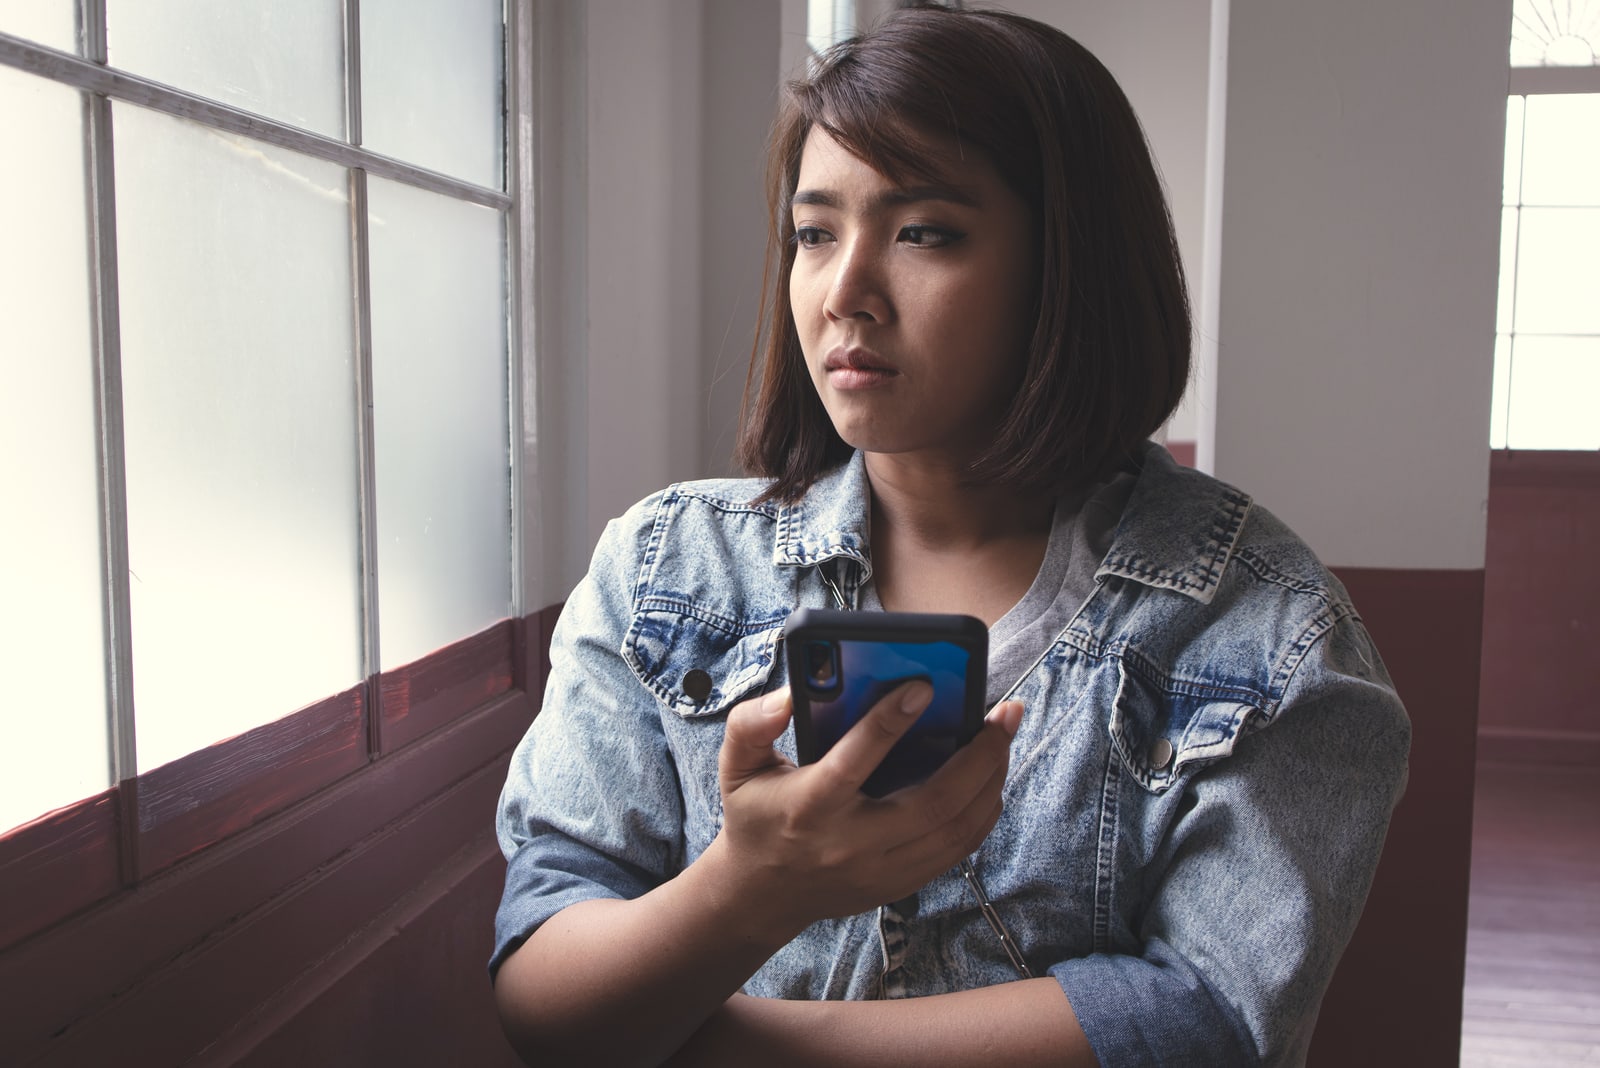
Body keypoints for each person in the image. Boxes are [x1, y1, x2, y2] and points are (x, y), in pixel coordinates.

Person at [490, 5, 1410, 1066]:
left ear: (1068, 268)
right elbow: (544, 986)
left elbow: (1202, 1025)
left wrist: (705, 1039)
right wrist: (750, 889)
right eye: (814, 232)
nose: (845, 293)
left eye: (923, 231)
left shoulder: (1266, 633)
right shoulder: (667, 568)